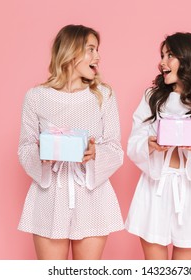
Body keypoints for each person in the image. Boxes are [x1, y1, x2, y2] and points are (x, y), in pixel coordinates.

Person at [17, 24, 124, 260]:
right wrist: (41, 155)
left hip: (91, 195)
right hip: (49, 197)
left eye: (97, 50)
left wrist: (96, 152)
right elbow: (25, 147)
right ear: (70, 52)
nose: (97, 56)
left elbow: (116, 149)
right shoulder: (36, 97)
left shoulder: (103, 95)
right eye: (91, 49)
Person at [125, 32, 191, 260]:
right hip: (155, 187)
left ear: (187, 58)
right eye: (162, 55)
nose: (162, 62)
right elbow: (134, 140)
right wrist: (149, 144)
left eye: (170, 55)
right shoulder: (152, 96)